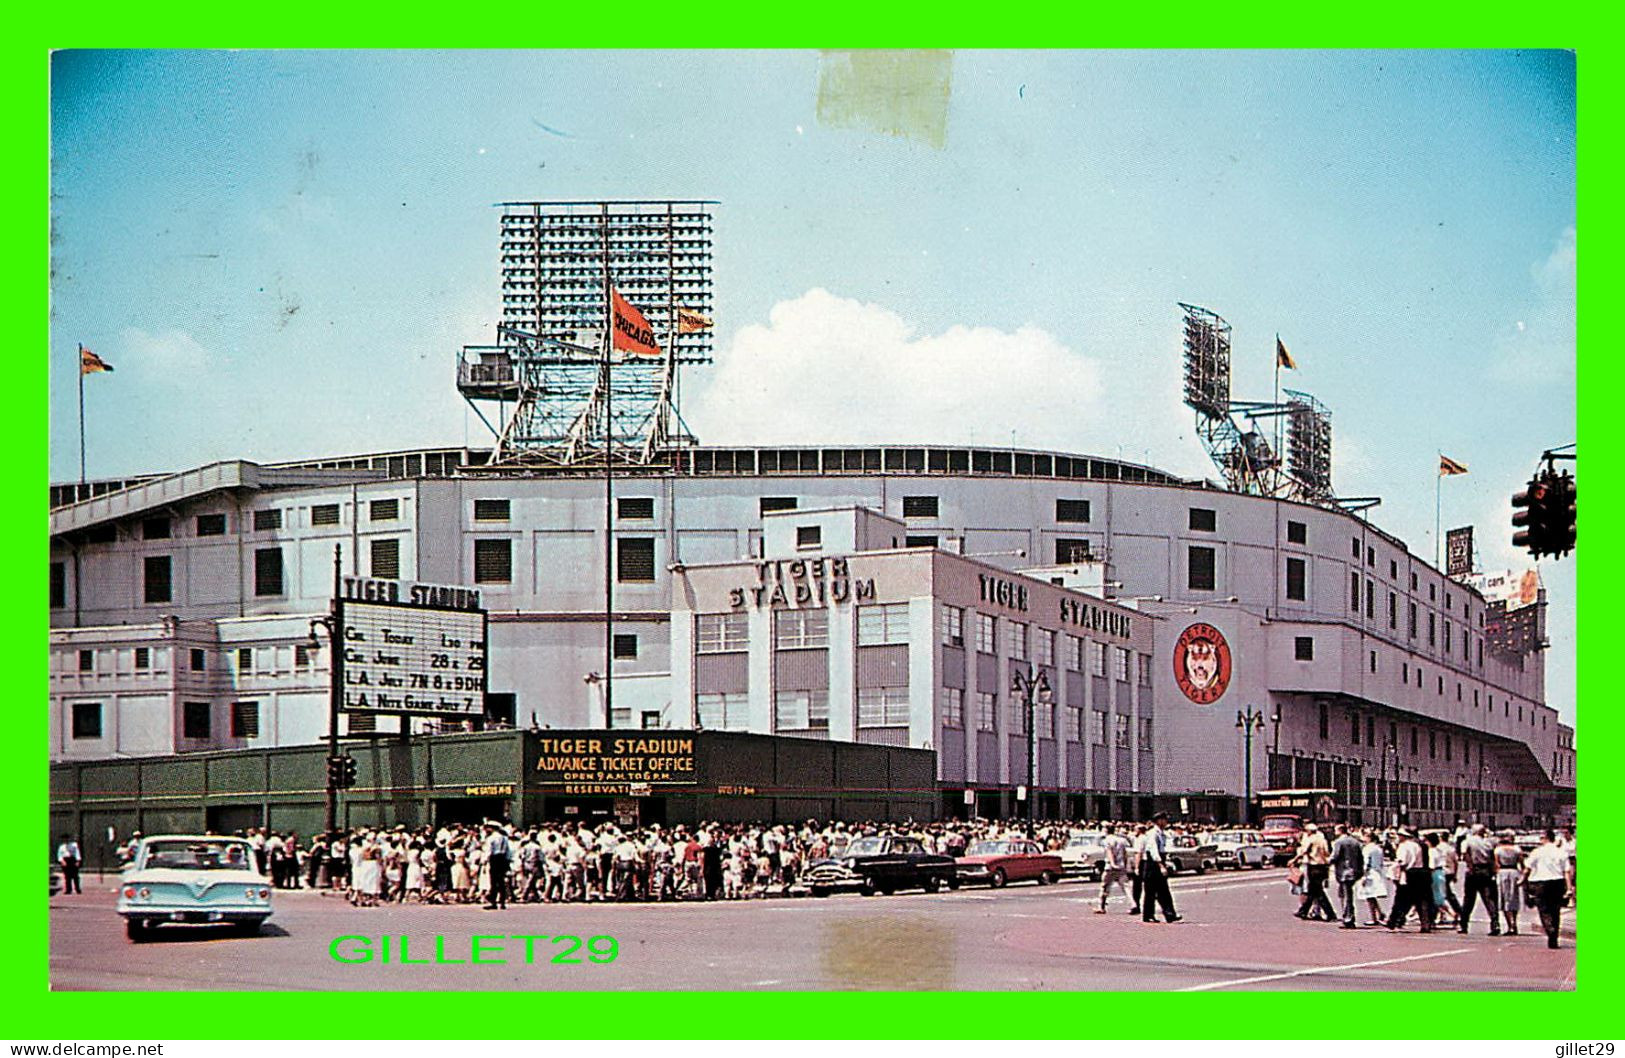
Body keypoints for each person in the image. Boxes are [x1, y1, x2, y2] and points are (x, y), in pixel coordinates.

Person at [1521, 829, 1574, 950]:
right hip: (1558, 882)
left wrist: (1522, 880)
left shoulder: (1537, 852)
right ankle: (1554, 937)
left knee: (1544, 909)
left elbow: (1527, 868)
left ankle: (1549, 928)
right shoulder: (1561, 853)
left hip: (1541, 882)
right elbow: (1567, 872)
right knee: (1555, 910)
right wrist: (1569, 888)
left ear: (1544, 839)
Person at [1385, 828, 1434, 932]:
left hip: (1408, 873)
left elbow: (1402, 862)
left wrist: (1393, 871)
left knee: (1400, 899)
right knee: (1421, 900)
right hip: (1420, 873)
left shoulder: (1403, 846)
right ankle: (1425, 924)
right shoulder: (1417, 845)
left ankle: (1393, 921)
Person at [1457, 823, 1500, 936]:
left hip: (1473, 870)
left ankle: (1463, 924)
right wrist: (1493, 871)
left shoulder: (1467, 841)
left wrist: (1470, 867)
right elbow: (1492, 858)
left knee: (1469, 899)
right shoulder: (1488, 842)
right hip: (1486, 870)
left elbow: (1465, 854)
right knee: (1489, 898)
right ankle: (1495, 923)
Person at [1138, 813, 1180, 924]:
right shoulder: (1152, 833)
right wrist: (1161, 865)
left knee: (1164, 890)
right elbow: (1153, 851)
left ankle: (1170, 914)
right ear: (1159, 821)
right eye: (1165, 820)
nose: (1166, 822)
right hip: (1153, 864)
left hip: (1159, 861)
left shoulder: (1162, 834)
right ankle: (1148, 915)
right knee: (1150, 891)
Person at [1295, 823, 1335, 922]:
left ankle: (1330, 913)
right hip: (1323, 866)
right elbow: (1327, 852)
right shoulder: (1322, 839)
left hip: (1314, 866)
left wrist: (1294, 860)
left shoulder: (1311, 839)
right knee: (1313, 890)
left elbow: (1304, 852)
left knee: (1317, 891)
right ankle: (1303, 911)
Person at [1329, 823, 1364, 929]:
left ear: (1340, 831)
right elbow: (1360, 857)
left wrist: (1326, 862)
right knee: (1347, 895)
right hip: (1354, 871)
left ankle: (1348, 918)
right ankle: (1349, 916)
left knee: (1346, 896)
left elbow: (1335, 856)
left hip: (1344, 872)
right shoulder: (1355, 841)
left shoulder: (1339, 842)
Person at [1354, 827, 1389, 926]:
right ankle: (1379, 913)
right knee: (1372, 896)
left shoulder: (1367, 849)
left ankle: (1374, 917)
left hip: (1370, 874)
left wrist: (1363, 876)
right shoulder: (1378, 848)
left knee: (1369, 896)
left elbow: (1366, 863)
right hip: (1377, 872)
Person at [1493, 830, 1525, 935]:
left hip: (1503, 872)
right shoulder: (1517, 849)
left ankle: (1510, 925)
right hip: (1514, 872)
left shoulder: (1498, 850)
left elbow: (1496, 864)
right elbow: (1522, 863)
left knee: (1504, 899)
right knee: (1513, 898)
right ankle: (1514, 923)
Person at [1097, 824, 1131, 914]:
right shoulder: (1122, 840)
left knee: (1105, 886)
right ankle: (1133, 904)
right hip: (1121, 865)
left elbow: (1109, 852)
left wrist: (1112, 863)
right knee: (1126, 886)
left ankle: (1101, 906)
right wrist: (1125, 865)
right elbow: (1125, 854)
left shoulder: (1106, 840)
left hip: (1110, 867)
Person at [483, 823, 511, 910]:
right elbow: (508, 851)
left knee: (494, 882)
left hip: (494, 859)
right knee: (501, 881)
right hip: (502, 859)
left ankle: (493, 902)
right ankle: (502, 902)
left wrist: (485, 861)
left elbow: (489, 851)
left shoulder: (491, 838)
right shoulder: (504, 838)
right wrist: (507, 861)